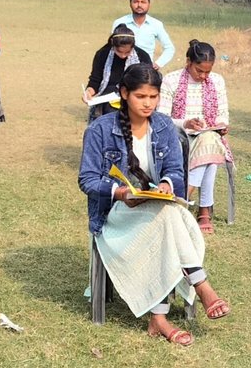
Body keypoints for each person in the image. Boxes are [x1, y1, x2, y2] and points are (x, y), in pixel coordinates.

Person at [78, 63, 230, 345]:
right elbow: (87, 180)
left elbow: (175, 171)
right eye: (140, 97)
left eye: (153, 97)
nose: (148, 103)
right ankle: (200, 284)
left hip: (157, 209)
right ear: (124, 94)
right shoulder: (100, 129)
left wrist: (167, 185)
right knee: (167, 216)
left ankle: (159, 318)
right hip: (116, 216)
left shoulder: (163, 125)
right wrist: (120, 193)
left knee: (165, 214)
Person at [162, 40, 232, 236]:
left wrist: (221, 125)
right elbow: (162, 118)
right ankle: (204, 211)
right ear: (188, 62)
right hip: (179, 136)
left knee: (209, 140)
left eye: (207, 72)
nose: (203, 76)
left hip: (208, 135)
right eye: (199, 71)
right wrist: (186, 123)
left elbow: (222, 113)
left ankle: (183, 196)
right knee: (210, 150)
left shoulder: (217, 81)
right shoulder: (171, 80)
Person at [85, 28, 153, 119]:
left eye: (127, 52)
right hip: (107, 99)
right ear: (113, 45)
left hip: (134, 96)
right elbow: (95, 81)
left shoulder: (142, 56)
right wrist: (89, 92)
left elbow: (148, 82)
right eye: (119, 52)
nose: (123, 56)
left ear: (133, 47)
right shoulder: (102, 54)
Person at [112, 0, 175, 68]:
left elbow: (169, 48)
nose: (139, 5)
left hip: (145, 68)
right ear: (130, 3)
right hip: (121, 67)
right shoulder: (119, 22)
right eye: (136, 2)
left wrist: (158, 64)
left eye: (143, 2)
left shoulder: (156, 24)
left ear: (149, 4)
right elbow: (111, 46)